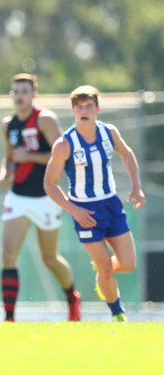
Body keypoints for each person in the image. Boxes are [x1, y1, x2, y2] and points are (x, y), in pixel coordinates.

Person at [44, 85, 145, 322]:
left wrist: (136, 187)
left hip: (111, 204)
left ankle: (102, 270)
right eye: (79, 107)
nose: (84, 111)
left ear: (97, 109)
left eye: (89, 106)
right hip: (85, 210)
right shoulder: (64, 144)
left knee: (128, 264)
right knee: (106, 269)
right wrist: (74, 209)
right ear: (73, 111)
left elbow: (127, 154)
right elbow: (49, 183)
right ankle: (117, 313)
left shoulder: (109, 133)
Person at [0, 73, 81, 322]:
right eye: (15, 91)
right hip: (18, 197)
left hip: (46, 197)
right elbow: (10, 156)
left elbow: (62, 155)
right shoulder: (7, 125)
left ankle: (72, 298)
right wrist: (4, 173)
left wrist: (31, 157)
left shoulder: (45, 119)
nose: (19, 96)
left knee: (50, 259)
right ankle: (9, 318)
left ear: (34, 95)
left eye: (24, 91)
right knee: (8, 253)